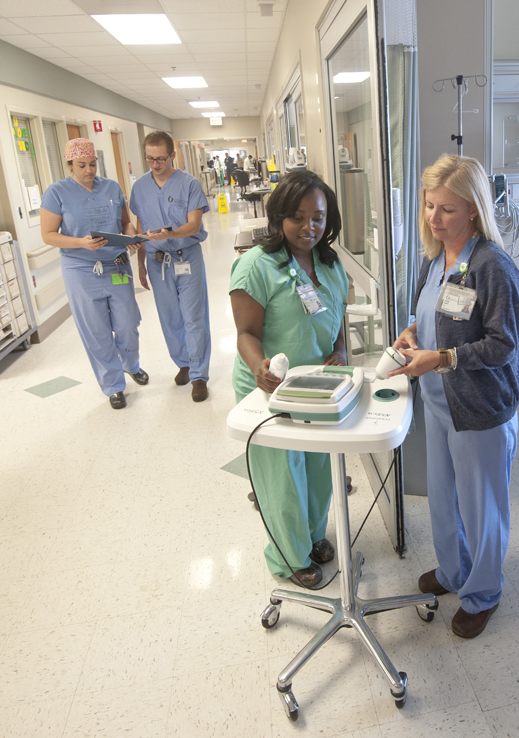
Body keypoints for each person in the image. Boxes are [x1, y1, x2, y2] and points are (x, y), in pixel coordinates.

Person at [389, 154, 519, 638]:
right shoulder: (437, 258)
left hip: (479, 411)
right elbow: (431, 318)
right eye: (429, 206)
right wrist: (411, 333)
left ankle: (483, 591)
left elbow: (503, 345)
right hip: (438, 405)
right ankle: (453, 571)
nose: (433, 218)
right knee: (444, 500)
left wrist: (441, 359)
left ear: (473, 209)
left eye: (446, 209)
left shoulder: (493, 267)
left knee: (481, 506)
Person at [230, 170, 348, 587]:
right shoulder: (256, 267)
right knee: (283, 478)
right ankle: (287, 557)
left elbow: (338, 321)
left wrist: (340, 353)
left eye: (317, 217)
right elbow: (246, 334)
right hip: (271, 391)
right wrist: (260, 366)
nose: (308, 227)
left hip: (317, 389)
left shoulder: (330, 264)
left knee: (317, 469)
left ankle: (313, 536)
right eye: (297, 217)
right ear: (278, 216)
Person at [40, 138, 148, 409]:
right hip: (80, 269)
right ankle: (113, 385)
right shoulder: (57, 193)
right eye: (81, 165)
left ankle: (130, 364)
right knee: (96, 330)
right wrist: (81, 243)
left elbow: (124, 223)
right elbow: (48, 235)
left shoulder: (111, 187)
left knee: (128, 322)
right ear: (69, 165)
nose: (89, 170)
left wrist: (131, 236)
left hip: (117, 263)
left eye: (92, 164)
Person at [131, 131, 211, 402]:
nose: (155, 164)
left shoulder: (189, 184)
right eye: (150, 159)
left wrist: (168, 234)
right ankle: (184, 363)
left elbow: (194, 225)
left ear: (172, 155)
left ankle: (199, 375)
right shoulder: (139, 187)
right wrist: (140, 264)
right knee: (170, 318)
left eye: (161, 158)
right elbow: (141, 227)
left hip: (187, 255)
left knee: (193, 316)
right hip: (156, 262)